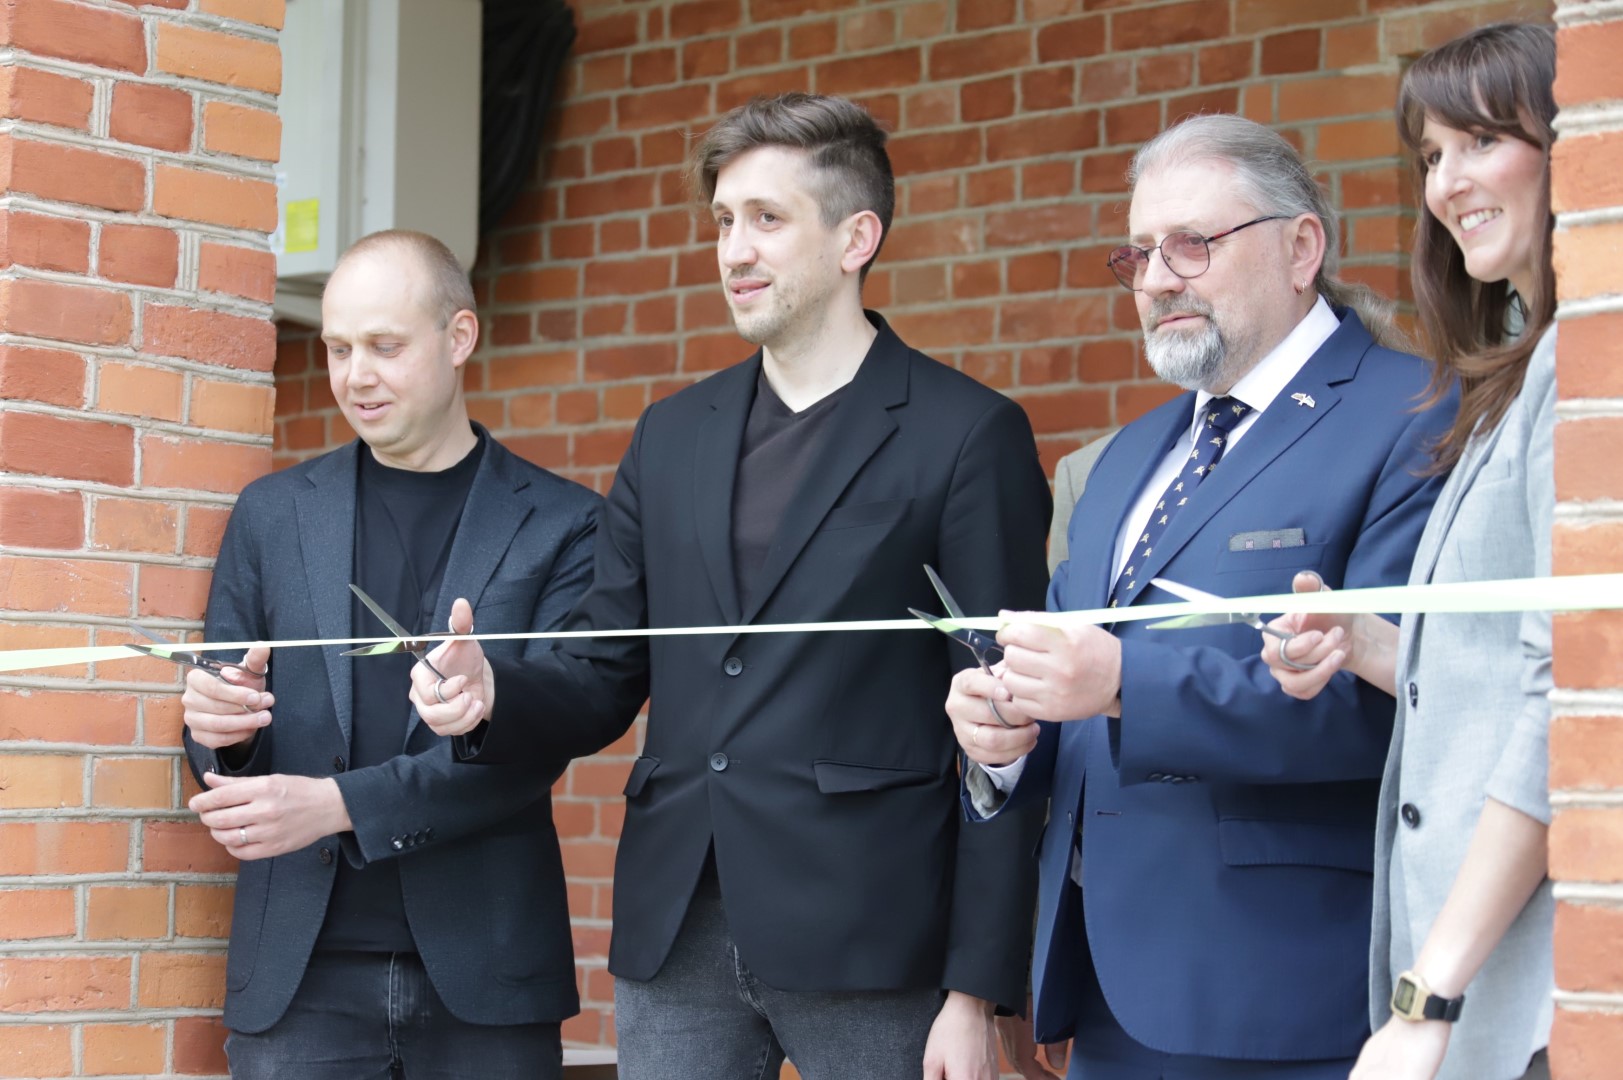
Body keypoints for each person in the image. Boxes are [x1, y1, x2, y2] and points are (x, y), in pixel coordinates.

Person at [412, 93, 1052, 1080]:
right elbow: (602, 667)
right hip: (678, 931)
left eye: (766, 219)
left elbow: (1009, 720)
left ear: (856, 238)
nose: (734, 251)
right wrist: (496, 690)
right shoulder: (670, 435)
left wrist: (976, 991)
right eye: (721, 221)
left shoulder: (967, 435)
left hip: (876, 933)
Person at [947, 113, 1456, 1079]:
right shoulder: (1123, 458)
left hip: (1288, 992)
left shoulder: (1417, 413)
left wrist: (1120, 682)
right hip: (1103, 989)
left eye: (1191, 243)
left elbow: (1404, 704)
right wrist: (1006, 738)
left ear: (1300, 248)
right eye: (1138, 253)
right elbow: (1075, 699)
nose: (1155, 279)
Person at [180, 230, 600, 1079]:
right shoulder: (271, 514)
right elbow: (218, 734)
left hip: (487, 972)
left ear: (459, 336)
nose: (355, 375)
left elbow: (538, 741)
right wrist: (224, 732)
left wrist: (338, 805)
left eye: (384, 346)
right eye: (338, 348)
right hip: (298, 974)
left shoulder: (565, 523)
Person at [1260, 24, 1558, 1080]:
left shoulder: (1579, 371)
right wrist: (1373, 644)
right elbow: (1496, 665)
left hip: (1523, 989)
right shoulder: (1513, 375)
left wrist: (1428, 996)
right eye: (1432, 155)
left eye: (1481, 140)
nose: (1447, 183)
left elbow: (1563, 700)